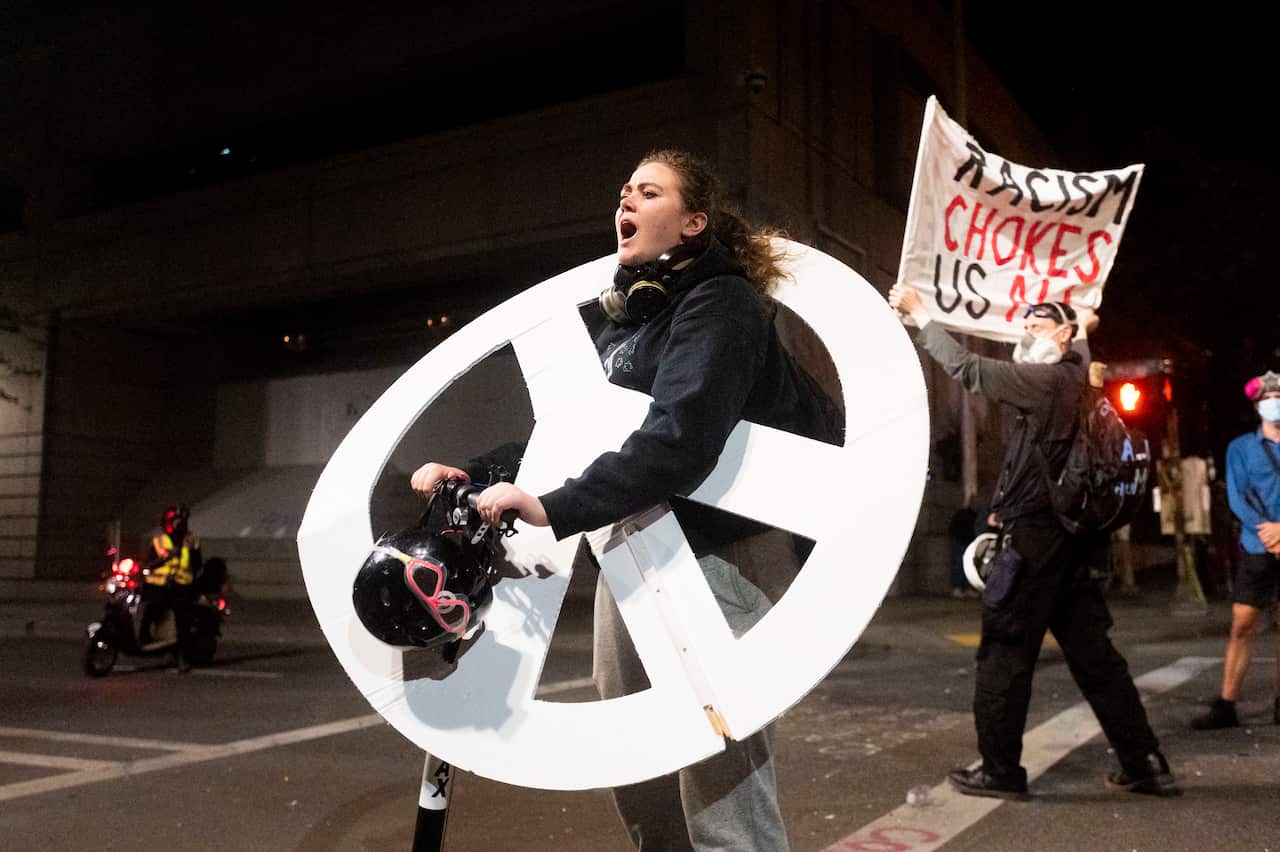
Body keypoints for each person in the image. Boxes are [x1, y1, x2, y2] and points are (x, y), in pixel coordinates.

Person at [411, 149, 836, 851]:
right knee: (638, 769)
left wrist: (554, 506)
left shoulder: (720, 303)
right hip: (630, 548)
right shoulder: (625, 327)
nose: (626, 203)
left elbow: (680, 440)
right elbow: (573, 436)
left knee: (718, 778)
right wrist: (479, 474)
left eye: (648, 191)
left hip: (719, 551)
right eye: (623, 193)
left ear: (694, 222)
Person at [887, 283, 1179, 799]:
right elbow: (1074, 355)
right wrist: (1085, 330)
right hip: (1072, 543)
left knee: (1004, 650)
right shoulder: (1077, 378)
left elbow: (969, 370)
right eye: (1023, 328)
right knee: (1095, 658)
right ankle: (1145, 761)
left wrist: (921, 316)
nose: (1026, 335)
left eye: (1038, 327)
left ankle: (1000, 770)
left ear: (1062, 334)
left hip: (1035, 540)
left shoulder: (1044, 381)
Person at [1190, 370, 1280, 729]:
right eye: (1268, 397)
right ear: (1257, 405)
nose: (1274, 402)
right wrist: (1272, 535)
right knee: (1242, 623)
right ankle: (1227, 703)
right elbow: (1238, 497)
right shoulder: (1241, 447)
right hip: (1257, 545)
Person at [142, 504, 202, 672]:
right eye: (176, 521)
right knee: (149, 606)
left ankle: (182, 657)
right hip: (161, 585)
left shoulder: (191, 540)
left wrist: (189, 553)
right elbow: (149, 563)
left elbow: (197, 565)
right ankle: (144, 637)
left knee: (181, 619)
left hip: (182, 585)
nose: (179, 524)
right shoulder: (159, 541)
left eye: (181, 521)